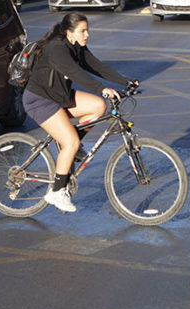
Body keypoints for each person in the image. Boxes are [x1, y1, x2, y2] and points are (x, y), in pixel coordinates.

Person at [23, 12, 137, 213]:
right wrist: (102, 88)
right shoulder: (57, 49)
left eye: (87, 30)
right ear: (69, 32)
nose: (87, 35)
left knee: (98, 106)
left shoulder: (76, 47)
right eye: (83, 31)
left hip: (59, 96)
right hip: (40, 100)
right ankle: (57, 192)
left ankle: (70, 146)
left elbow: (96, 66)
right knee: (71, 143)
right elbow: (77, 74)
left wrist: (125, 81)